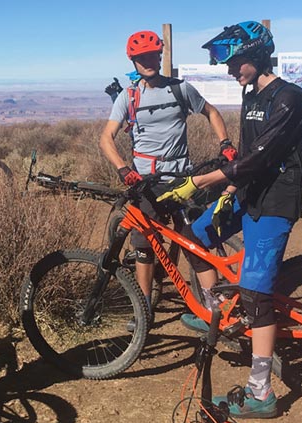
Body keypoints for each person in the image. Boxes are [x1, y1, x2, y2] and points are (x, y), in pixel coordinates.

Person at [157, 21, 302, 419]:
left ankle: (261, 392)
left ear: (258, 57)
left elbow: (259, 159)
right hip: (247, 194)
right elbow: (246, 157)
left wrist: (199, 182)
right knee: (194, 237)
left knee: (256, 296)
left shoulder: (289, 100)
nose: (230, 71)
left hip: (276, 202)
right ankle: (216, 313)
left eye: (236, 63)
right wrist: (228, 194)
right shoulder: (252, 95)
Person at [99, 30, 235, 330]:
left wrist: (225, 143)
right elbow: (106, 138)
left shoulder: (180, 89)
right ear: (133, 61)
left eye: (152, 56)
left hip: (181, 179)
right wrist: (123, 168)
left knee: (194, 243)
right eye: (141, 58)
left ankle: (216, 311)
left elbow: (211, 112)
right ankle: (144, 308)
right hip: (145, 182)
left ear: (159, 57)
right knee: (143, 245)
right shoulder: (130, 95)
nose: (148, 62)